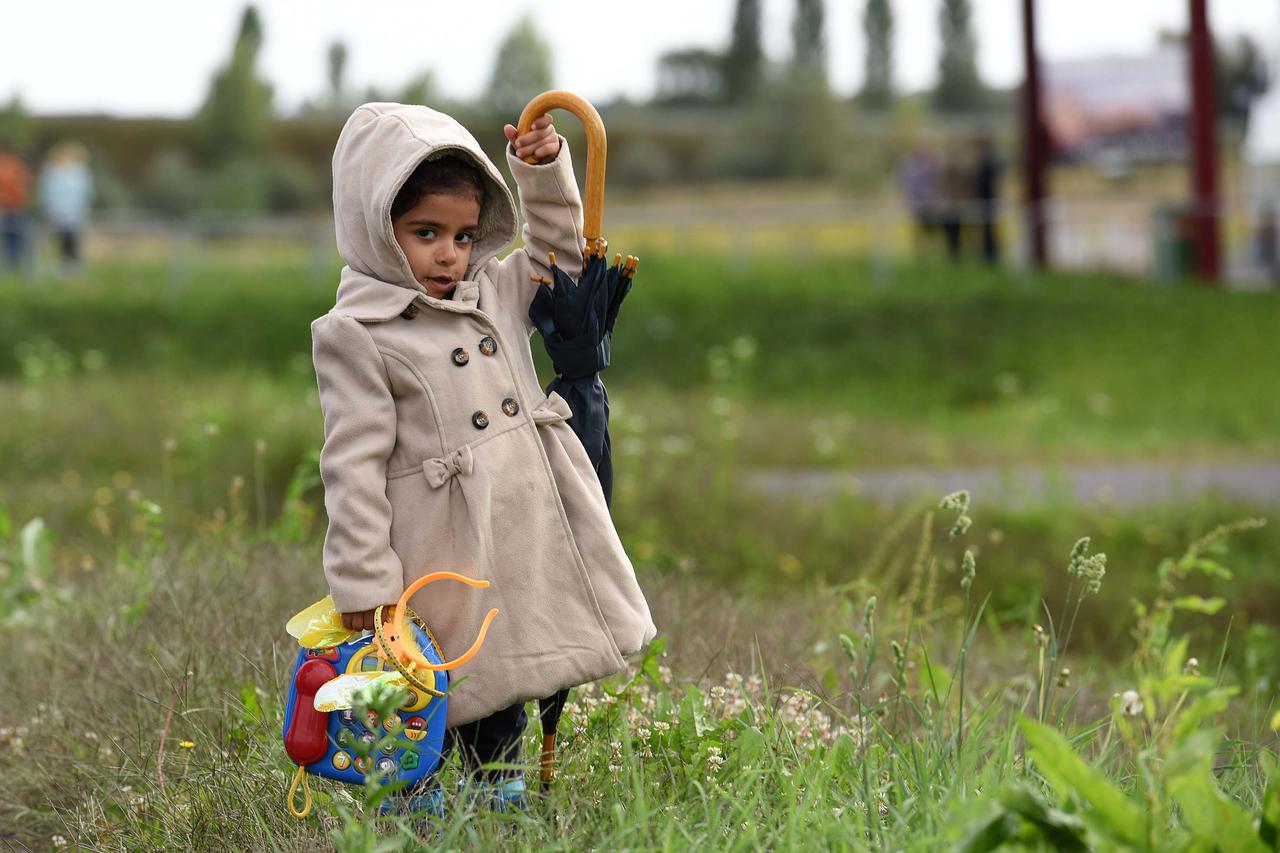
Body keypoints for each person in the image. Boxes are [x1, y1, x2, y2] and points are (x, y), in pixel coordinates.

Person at [312, 103, 656, 815]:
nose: (449, 254)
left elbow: (560, 259)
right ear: (375, 229)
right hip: (434, 551)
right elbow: (351, 467)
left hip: (515, 523)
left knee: (512, 664)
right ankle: (415, 807)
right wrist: (364, 585)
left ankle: (498, 802)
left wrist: (539, 170)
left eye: (465, 235)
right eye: (425, 233)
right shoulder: (356, 333)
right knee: (439, 680)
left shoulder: (492, 291)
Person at [37, 141, 94, 275]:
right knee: (60, 239)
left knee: (73, 239)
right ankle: (61, 266)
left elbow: (86, 192)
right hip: (56, 211)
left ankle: (73, 266)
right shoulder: (51, 171)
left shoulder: (80, 171)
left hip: (75, 211)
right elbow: (45, 192)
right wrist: (48, 207)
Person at [896, 142, 939, 253]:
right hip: (915, 202)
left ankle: (931, 247)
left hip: (929, 202)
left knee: (930, 227)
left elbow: (935, 181)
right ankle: (920, 249)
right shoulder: (907, 163)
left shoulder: (931, 162)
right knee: (917, 227)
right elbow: (902, 181)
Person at [0, 140, 31, 274]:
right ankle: (14, 268)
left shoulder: (9, 166)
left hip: (10, 208)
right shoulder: (16, 165)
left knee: (13, 239)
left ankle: (12, 268)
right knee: (15, 239)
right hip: (15, 207)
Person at [972, 133, 1002, 266]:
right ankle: (988, 254)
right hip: (983, 199)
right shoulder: (984, 160)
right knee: (986, 228)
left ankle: (991, 254)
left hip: (989, 198)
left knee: (989, 228)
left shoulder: (989, 161)